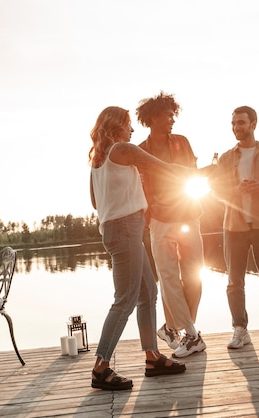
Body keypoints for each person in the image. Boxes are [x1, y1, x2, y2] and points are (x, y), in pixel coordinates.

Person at [88, 106, 187, 391]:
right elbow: (163, 167)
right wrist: (205, 173)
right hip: (125, 228)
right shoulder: (122, 149)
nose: (133, 130)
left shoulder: (98, 160)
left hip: (118, 228)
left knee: (148, 293)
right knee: (125, 299)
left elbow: (96, 202)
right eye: (129, 124)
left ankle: (152, 357)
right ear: (117, 126)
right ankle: (101, 367)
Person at [135, 92, 207, 358]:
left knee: (194, 276)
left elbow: (193, 173)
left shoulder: (182, 142)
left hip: (189, 215)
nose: (172, 119)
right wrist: (148, 218)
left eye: (173, 114)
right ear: (153, 118)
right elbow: (140, 186)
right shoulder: (140, 150)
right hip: (160, 221)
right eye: (168, 115)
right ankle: (190, 333)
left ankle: (172, 328)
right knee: (168, 278)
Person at [212, 105, 259, 349]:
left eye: (241, 123)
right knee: (235, 282)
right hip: (234, 227)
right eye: (234, 123)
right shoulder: (224, 159)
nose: (236, 127)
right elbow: (216, 192)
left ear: (253, 124)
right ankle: (240, 331)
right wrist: (236, 191)